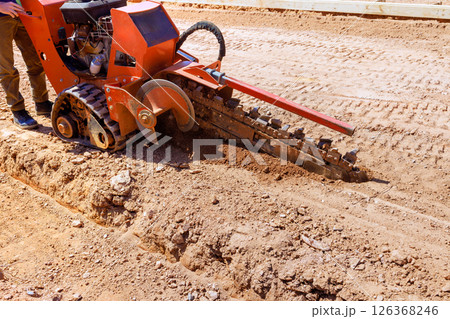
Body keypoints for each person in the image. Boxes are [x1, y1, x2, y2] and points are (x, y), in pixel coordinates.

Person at [0, 0, 53, 129]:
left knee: (36, 61)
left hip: (24, 13)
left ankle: (42, 102)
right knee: (6, 67)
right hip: (2, 16)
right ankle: (17, 110)